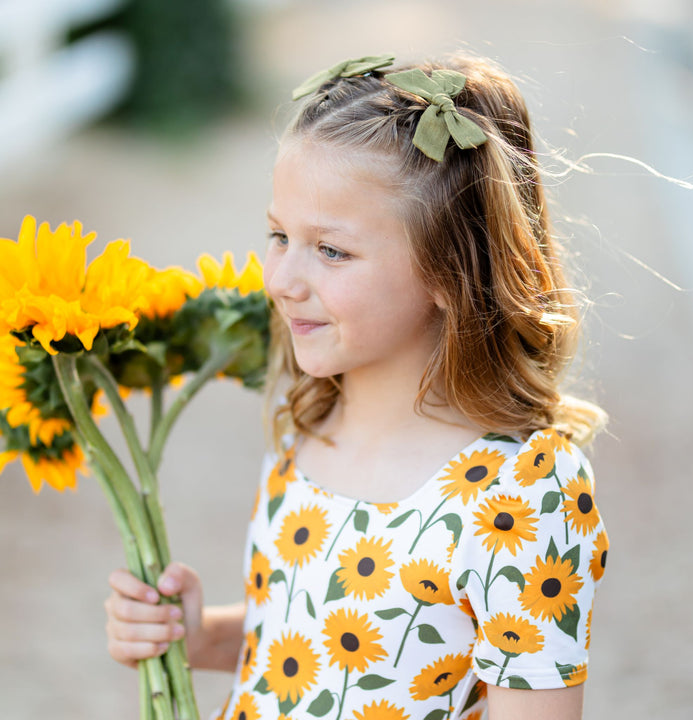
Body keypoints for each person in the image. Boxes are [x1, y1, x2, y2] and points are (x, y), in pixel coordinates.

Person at [104, 53, 609, 720]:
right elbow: (307, 646)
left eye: (331, 250)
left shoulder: (524, 492)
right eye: (279, 235)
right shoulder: (307, 426)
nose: (283, 280)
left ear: (449, 269)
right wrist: (198, 636)